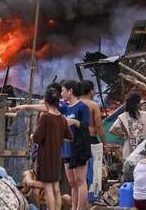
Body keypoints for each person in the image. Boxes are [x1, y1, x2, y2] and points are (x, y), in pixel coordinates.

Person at [32, 87, 73, 210]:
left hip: (46, 158)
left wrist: (32, 136)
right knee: (56, 188)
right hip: (57, 157)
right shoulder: (62, 118)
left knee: (48, 188)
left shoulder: (45, 117)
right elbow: (69, 136)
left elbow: (37, 138)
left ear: (46, 101)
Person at [61, 80, 92, 210]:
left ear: (70, 91)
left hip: (79, 148)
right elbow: (47, 106)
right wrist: (25, 107)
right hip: (67, 149)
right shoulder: (66, 107)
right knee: (72, 183)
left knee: (80, 181)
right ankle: (74, 207)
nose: (61, 93)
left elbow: (86, 126)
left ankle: (80, 208)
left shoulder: (82, 107)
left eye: (63, 90)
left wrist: (74, 122)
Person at [80, 80, 105, 196]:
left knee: (80, 171)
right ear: (91, 91)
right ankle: (94, 197)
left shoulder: (75, 103)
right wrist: (104, 142)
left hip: (77, 141)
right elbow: (99, 126)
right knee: (95, 171)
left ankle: (80, 197)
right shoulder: (93, 105)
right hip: (92, 140)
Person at [109, 92, 146, 160]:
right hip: (144, 150)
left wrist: (123, 135)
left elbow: (112, 130)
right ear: (138, 103)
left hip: (129, 152)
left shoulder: (123, 117)